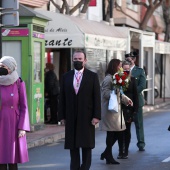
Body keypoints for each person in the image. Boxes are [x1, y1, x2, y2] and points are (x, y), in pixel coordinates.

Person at [58, 50, 101, 170]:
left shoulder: (92, 76)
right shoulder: (66, 76)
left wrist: (96, 115)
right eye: (75, 59)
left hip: (87, 116)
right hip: (71, 116)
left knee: (86, 145)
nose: (77, 61)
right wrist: (61, 116)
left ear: (85, 61)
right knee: (73, 146)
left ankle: (85, 167)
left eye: (80, 59)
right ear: (72, 60)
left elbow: (96, 97)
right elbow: (62, 98)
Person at [99, 59, 133, 165]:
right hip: (110, 111)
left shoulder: (115, 78)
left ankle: (106, 153)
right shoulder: (108, 79)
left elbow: (119, 93)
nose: (121, 68)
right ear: (114, 66)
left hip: (115, 111)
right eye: (119, 66)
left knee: (116, 133)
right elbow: (105, 93)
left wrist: (126, 99)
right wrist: (115, 90)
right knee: (112, 133)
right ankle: (108, 155)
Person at [0, 56, 30, 170]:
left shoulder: (18, 82)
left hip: (13, 123)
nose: (1, 68)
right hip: (1, 121)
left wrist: (22, 127)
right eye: (0, 66)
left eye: (4, 66)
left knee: (12, 159)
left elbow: (24, 107)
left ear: (11, 68)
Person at [125, 52, 146, 151]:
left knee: (138, 124)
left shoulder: (140, 71)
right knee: (125, 125)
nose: (129, 60)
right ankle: (124, 144)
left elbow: (142, 85)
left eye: (130, 59)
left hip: (137, 101)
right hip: (125, 102)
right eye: (127, 59)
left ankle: (141, 143)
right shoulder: (122, 71)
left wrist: (132, 94)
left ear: (134, 60)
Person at [117, 60, 139, 159]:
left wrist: (135, 110)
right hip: (119, 107)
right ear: (121, 69)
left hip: (129, 109)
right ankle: (120, 150)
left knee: (127, 130)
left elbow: (135, 95)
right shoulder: (117, 79)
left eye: (128, 69)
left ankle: (125, 151)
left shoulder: (133, 79)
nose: (126, 71)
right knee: (119, 131)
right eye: (124, 69)